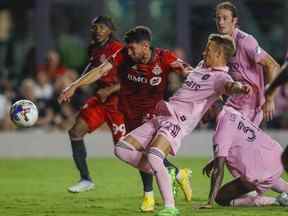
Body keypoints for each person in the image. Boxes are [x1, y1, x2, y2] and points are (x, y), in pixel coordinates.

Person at [114, 34, 251, 216]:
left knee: (155, 158)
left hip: (178, 122)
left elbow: (229, 85)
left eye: (208, 50)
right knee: (122, 149)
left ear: (219, 54)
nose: (203, 52)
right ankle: (171, 174)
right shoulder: (203, 67)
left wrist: (240, 87)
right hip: (164, 113)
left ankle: (170, 207)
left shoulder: (220, 77)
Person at [59, 25, 192, 212]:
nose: (128, 51)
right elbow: (99, 71)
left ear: (145, 46)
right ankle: (176, 174)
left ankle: (152, 197)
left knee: (147, 153)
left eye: (132, 48)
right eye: (127, 48)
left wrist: (205, 84)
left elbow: (188, 72)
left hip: (154, 117)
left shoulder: (164, 58)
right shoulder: (123, 55)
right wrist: (74, 85)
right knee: (136, 155)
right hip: (128, 113)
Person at [65, 16, 125, 193]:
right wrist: (73, 86)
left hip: (119, 102)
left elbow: (132, 79)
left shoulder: (119, 49)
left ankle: (168, 170)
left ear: (110, 30)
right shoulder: (93, 49)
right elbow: (90, 71)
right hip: (100, 100)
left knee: (127, 150)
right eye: (94, 27)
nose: (97, 30)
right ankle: (85, 179)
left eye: (101, 27)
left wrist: (110, 89)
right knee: (75, 132)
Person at [201, 101, 288, 208]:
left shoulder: (221, 133)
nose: (198, 114)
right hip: (277, 156)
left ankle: (277, 201)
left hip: (261, 171)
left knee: (220, 197)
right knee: (266, 171)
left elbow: (218, 170)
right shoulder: (232, 113)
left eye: (202, 109)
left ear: (213, 106)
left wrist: (210, 202)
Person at [215, 1, 280, 125]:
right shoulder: (220, 44)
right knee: (221, 139)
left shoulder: (246, 41)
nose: (220, 22)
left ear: (234, 21)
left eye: (225, 18)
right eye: (218, 18)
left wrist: (270, 99)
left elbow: (273, 65)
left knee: (231, 141)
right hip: (234, 102)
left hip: (251, 107)